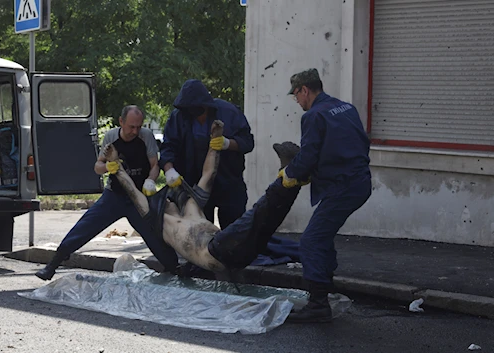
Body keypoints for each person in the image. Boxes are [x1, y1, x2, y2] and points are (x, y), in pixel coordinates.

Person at [102, 118, 306, 283]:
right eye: (166, 199)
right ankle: (289, 174)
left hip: (230, 248)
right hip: (216, 252)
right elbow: (133, 193)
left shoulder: (192, 208)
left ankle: (293, 177)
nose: (169, 199)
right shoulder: (159, 221)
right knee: (256, 215)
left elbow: (209, 173)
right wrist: (115, 166)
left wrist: (215, 143)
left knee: (267, 222)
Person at [35, 105, 178, 281]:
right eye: (131, 127)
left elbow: (155, 164)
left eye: (138, 127)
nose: (135, 131)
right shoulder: (111, 137)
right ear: (121, 122)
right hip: (114, 196)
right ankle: (53, 265)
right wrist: (107, 167)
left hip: (138, 198)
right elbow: (97, 167)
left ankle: (174, 269)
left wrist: (150, 181)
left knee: (153, 234)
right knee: (85, 227)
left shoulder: (146, 136)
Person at [283, 69, 372, 323]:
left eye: (296, 96)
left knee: (310, 240)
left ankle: (318, 304)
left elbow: (309, 155)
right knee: (322, 235)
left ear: (304, 90)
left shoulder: (313, 116)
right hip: (360, 182)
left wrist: (290, 173)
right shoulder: (346, 108)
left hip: (342, 187)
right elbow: (356, 143)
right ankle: (325, 286)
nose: (297, 101)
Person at [160, 79, 254, 229]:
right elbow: (168, 147)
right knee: (200, 232)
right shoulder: (179, 117)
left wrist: (227, 143)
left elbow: (248, 142)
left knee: (235, 232)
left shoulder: (229, 113)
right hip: (195, 185)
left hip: (229, 182)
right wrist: (169, 170)